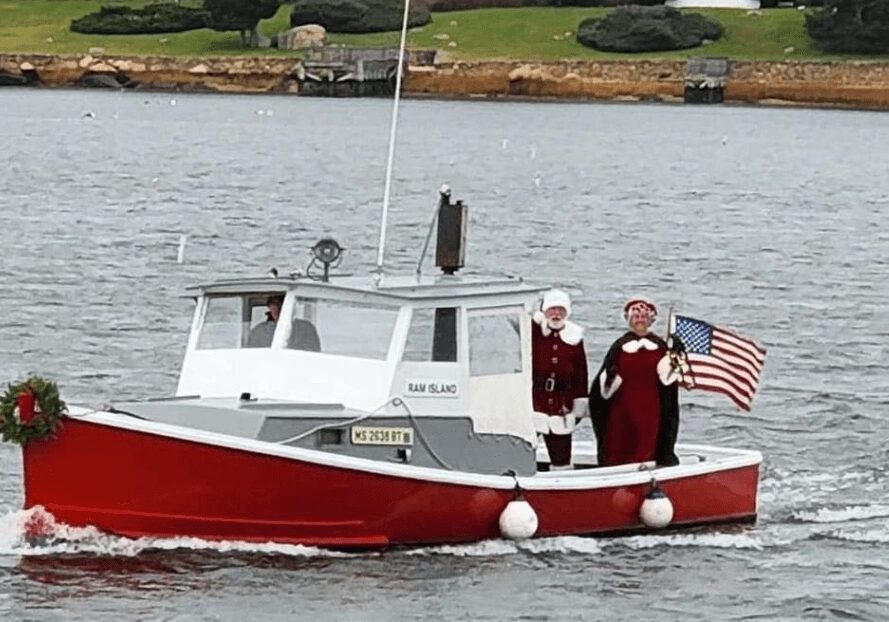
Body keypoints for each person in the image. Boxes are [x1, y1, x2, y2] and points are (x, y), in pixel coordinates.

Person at [588, 298, 682, 468]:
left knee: (648, 441)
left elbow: (669, 380)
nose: (640, 320)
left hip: (651, 408)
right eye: (636, 317)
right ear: (629, 320)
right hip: (622, 408)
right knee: (620, 441)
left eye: (643, 317)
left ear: (650, 320)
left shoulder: (660, 347)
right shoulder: (619, 346)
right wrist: (609, 377)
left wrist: (674, 357)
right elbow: (603, 386)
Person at [531, 289, 589, 471]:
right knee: (525, 448)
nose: (556, 314)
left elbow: (581, 374)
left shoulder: (574, 339)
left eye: (560, 310)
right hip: (534, 402)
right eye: (552, 310)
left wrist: (578, 408)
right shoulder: (536, 332)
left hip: (561, 404)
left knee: (561, 456)